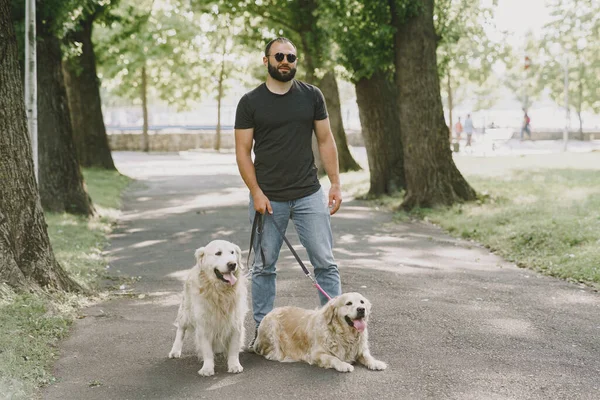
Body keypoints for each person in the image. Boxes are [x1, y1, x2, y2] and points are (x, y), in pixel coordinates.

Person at [234, 37, 343, 343]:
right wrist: (255, 191)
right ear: (266, 60)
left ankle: (334, 330)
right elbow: (243, 152)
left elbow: (325, 140)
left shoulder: (312, 96)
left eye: (291, 57)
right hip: (269, 198)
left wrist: (335, 183)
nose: (285, 61)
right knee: (264, 267)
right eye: (279, 55)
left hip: (309, 193)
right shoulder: (250, 102)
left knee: (325, 263)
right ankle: (263, 333)